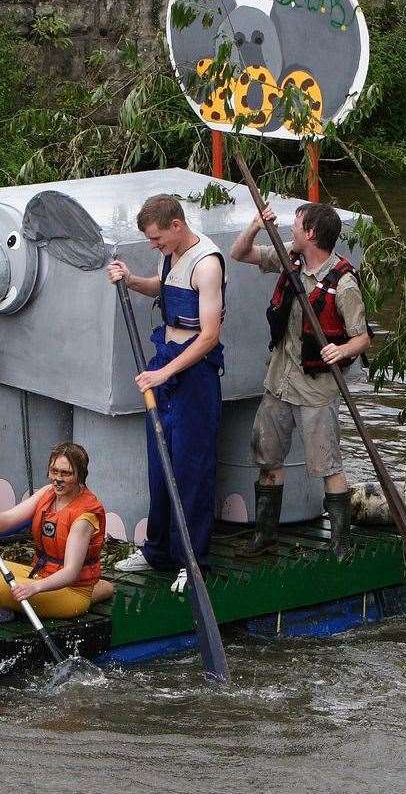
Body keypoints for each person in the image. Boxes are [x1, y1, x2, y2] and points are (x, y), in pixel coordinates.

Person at [229, 201, 370, 555]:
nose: (291, 227)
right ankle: (265, 536)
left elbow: (362, 337)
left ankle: (340, 543)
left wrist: (343, 350)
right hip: (279, 380)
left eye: (296, 223)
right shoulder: (289, 257)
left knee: (327, 463)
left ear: (310, 233)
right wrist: (257, 225)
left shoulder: (344, 282)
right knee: (268, 458)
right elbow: (239, 253)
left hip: (316, 389)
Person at [106, 194, 225, 576]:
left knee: (191, 467)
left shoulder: (206, 264)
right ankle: (157, 551)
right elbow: (162, 286)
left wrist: (165, 373)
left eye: (157, 239)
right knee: (159, 461)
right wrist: (131, 280)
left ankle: (192, 559)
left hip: (193, 372)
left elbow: (209, 336)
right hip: (165, 362)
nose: (154, 246)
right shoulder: (170, 253)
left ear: (177, 225)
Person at [0, 442, 111, 621]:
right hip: (38, 574)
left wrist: (35, 588)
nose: (58, 479)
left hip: (70, 591)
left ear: (80, 476)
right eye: (54, 471)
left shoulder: (85, 516)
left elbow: (70, 572)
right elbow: (8, 520)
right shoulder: (49, 492)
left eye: (66, 473)